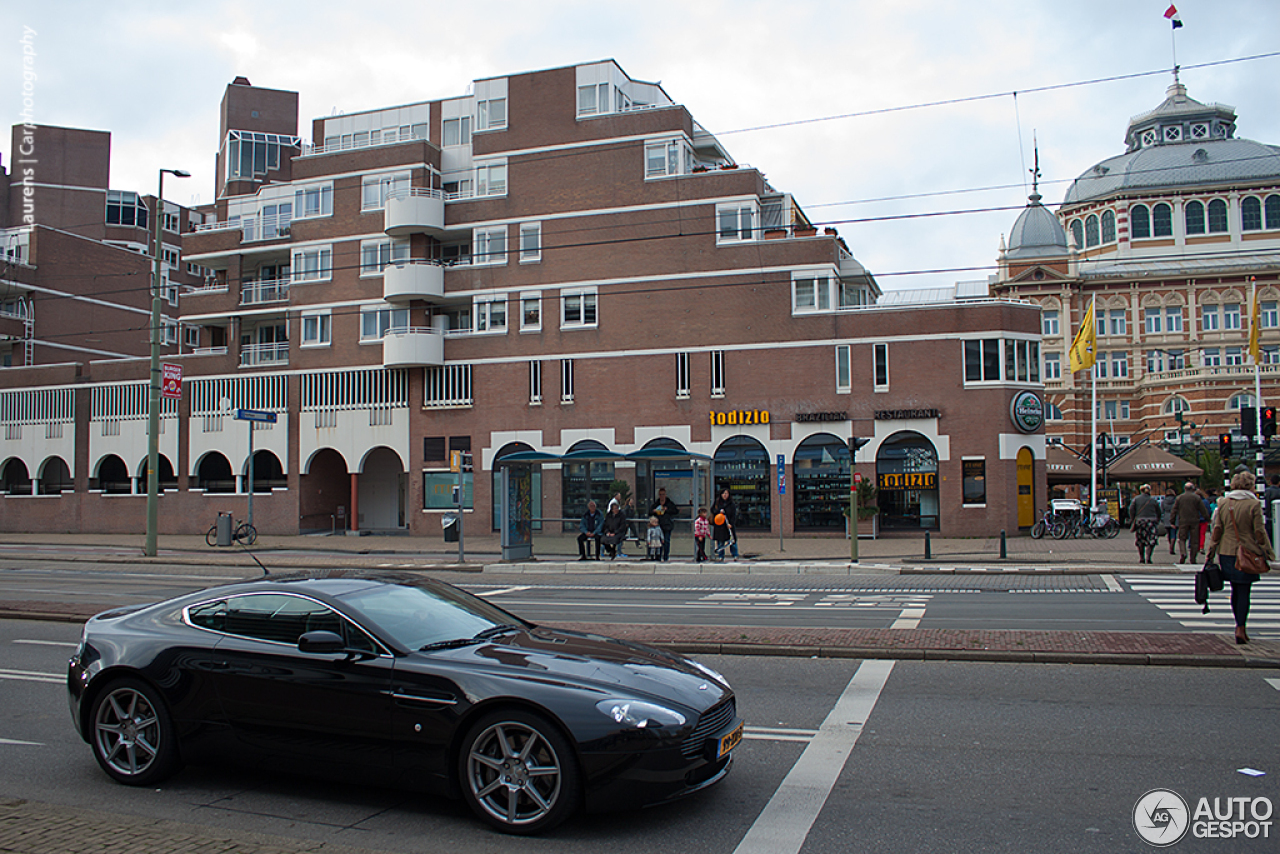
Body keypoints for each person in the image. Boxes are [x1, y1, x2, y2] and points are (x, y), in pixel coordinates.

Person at [1206, 470, 1275, 645]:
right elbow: (1259, 531)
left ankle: (1238, 625)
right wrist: (1268, 551)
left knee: (1234, 589)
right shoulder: (1253, 504)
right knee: (1244, 590)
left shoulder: (1223, 502)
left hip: (1227, 552)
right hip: (1247, 552)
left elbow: (1217, 529)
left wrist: (1211, 551)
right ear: (1250, 485)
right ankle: (1241, 627)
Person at [1173, 481, 1209, 564]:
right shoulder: (1197, 498)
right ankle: (1193, 558)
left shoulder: (1179, 498)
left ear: (1184, 488)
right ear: (1193, 488)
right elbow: (1203, 510)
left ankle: (1183, 553)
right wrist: (1207, 518)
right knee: (1194, 540)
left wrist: (1172, 520)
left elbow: (1174, 510)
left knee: (1182, 538)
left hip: (1183, 520)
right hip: (1194, 521)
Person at [1128, 484, 1161, 564]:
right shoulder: (1153, 500)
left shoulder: (1136, 499)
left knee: (1140, 540)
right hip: (1151, 522)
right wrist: (1157, 520)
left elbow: (1131, 509)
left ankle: (1141, 558)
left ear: (1141, 490)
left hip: (1140, 521)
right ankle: (1148, 557)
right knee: (1151, 540)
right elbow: (1159, 511)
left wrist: (1133, 519)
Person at [649, 487, 679, 561]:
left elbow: (676, 511)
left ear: (665, 495)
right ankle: (658, 556)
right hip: (658, 526)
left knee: (666, 541)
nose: (662, 496)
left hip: (667, 525)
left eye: (663, 494)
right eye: (660, 494)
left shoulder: (669, 503)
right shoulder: (656, 503)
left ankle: (665, 556)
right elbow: (649, 512)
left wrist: (667, 510)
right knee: (658, 542)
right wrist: (654, 511)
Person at [710, 487, 740, 560]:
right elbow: (713, 510)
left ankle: (735, 555)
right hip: (720, 525)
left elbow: (733, 515)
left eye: (726, 493)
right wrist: (718, 512)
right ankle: (721, 556)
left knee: (732, 541)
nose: (725, 495)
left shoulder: (731, 504)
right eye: (723, 493)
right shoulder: (717, 502)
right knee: (720, 541)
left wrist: (731, 524)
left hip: (728, 525)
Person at [1160, 487, 1178, 554]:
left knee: (1168, 533)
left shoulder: (1164, 501)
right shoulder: (1176, 501)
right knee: (1174, 533)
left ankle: (1170, 543)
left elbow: (1162, 510)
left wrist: (1162, 518)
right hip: (1175, 518)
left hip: (1166, 518)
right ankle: (1172, 546)